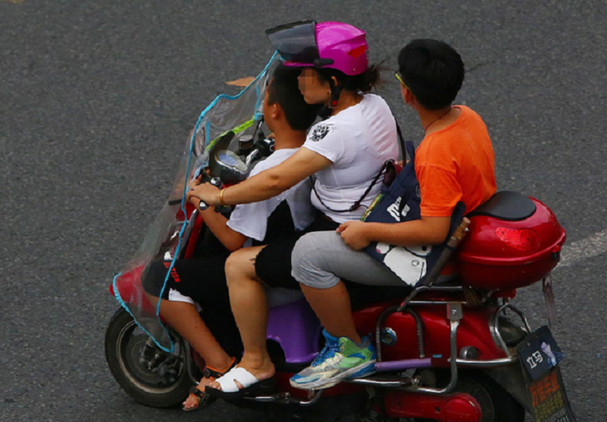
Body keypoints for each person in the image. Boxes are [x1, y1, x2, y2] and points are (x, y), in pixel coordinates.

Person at [192, 21, 400, 395]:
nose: (301, 80)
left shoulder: (333, 131)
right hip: (372, 215)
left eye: (307, 73)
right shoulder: (376, 105)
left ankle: (258, 360)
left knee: (239, 264)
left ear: (332, 82)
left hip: (339, 234)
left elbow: (275, 180)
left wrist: (218, 197)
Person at [287, 39, 498, 389]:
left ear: (407, 93)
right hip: (464, 232)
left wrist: (368, 233)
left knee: (307, 254)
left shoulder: (434, 152)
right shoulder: (467, 118)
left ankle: (351, 350)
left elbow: (433, 230)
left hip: (436, 257)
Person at [141, 63, 320, 410]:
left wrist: (202, 197)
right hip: (293, 258)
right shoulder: (311, 154)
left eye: (265, 99)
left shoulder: (270, 172)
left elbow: (233, 241)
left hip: (263, 277)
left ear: (274, 110)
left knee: (159, 277)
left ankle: (219, 363)